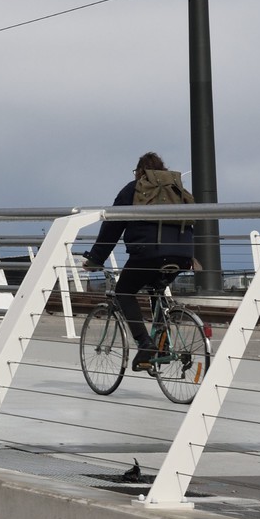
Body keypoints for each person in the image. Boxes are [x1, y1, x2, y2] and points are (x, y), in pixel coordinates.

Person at [82, 152, 196, 372]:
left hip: (148, 255)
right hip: (182, 256)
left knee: (124, 291)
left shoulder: (134, 188)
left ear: (140, 171)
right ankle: (161, 347)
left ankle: (145, 344)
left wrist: (96, 259)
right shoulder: (177, 190)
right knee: (157, 289)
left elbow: (112, 227)